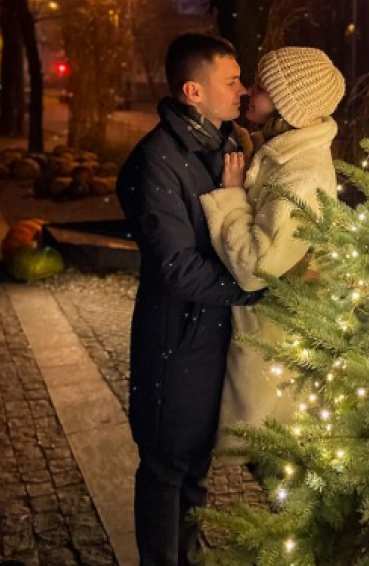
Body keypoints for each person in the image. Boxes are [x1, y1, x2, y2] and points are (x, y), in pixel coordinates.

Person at [116, 33, 262, 566]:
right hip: (174, 341)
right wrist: (253, 289)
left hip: (213, 333)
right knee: (166, 466)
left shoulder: (222, 147)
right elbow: (176, 267)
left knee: (197, 464)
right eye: (232, 81)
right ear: (193, 91)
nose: (243, 90)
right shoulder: (156, 160)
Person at [201, 46, 345, 442]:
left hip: (272, 341)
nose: (248, 90)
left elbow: (254, 269)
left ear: (287, 106)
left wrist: (231, 195)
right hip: (261, 330)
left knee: (268, 452)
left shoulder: (302, 177)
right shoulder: (282, 153)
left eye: (262, 88)